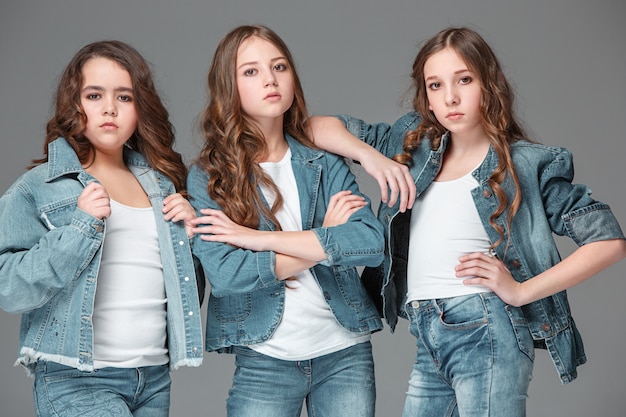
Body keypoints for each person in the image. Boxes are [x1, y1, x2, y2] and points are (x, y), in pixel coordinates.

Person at [310, 26, 626, 417]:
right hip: (426, 330)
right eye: (436, 85)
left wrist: (521, 291)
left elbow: (608, 241)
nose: (451, 97)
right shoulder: (412, 145)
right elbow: (314, 128)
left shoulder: (524, 164)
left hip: (486, 327)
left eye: (464, 79)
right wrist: (371, 158)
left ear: (488, 84)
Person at [186, 25, 385, 417]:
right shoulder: (209, 176)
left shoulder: (323, 160)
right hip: (265, 359)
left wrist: (255, 239)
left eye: (279, 67)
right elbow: (227, 274)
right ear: (229, 86)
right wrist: (324, 238)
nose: (270, 79)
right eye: (251, 71)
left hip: (344, 351)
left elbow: (370, 242)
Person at [0, 40, 204, 417]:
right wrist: (80, 228)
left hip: (152, 379)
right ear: (74, 105)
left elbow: (181, 292)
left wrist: (189, 242)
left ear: (141, 108)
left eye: (124, 97)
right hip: (77, 379)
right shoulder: (40, 186)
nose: (110, 108)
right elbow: (7, 288)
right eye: (95, 95)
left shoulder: (161, 186)